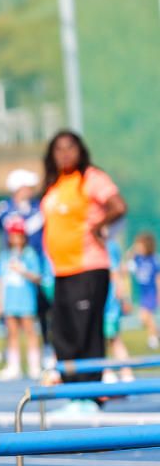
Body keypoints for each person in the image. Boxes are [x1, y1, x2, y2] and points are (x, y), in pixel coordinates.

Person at [41, 130, 126, 414]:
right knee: (62, 335)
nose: (65, 153)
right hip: (62, 271)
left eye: (70, 148)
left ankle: (90, 395)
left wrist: (97, 225)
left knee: (85, 334)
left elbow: (118, 206)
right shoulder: (55, 185)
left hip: (88, 268)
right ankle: (74, 394)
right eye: (59, 149)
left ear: (80, 150)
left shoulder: (91, 178)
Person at [0, 168, 52, 363]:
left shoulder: (38, 208)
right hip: (14, 268)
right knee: (11, 312)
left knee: (43, 307)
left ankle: (46, 350)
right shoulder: (4, 209)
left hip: (37, 265)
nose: (30, 190)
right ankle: (12, 355)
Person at [0, 218, 42, 381]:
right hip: (10, 300)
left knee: (30, 331)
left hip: (26, 299)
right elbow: (1, 280)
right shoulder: (5, 256)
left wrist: (23, 271)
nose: (15, 239)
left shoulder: (29, 254)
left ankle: (34, 365)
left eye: (18, 235)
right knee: (11, 332)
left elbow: (37, 277)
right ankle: (13, 366)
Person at [102, 235, 135, 383]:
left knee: (113, 339)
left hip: (109, 304)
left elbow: (116, 273)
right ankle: (113, 373)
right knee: (107, 339)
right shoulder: (109, 245)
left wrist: (123, 298)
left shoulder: (108, 246)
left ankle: (121, 373)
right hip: (103, 302)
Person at [129, 232, 159, 349]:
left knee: (145, 316)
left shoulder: (153, 260)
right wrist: (133, 250)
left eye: (140, 245)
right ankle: (156, 333)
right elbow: (129, 262)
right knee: (143, 318)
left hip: (151, 293)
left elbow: (158, 278)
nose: (138, 247)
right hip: (143, 293)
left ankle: (153, 339)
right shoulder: (138, 259)